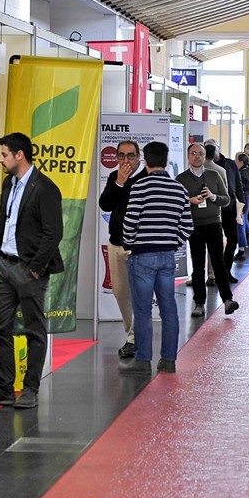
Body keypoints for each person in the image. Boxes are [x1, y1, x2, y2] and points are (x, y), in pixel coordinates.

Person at [0, 132, 64, 411]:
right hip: (2, 265)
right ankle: (4, 388)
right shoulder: (9, 183)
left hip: (28, 270)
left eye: (4, 154)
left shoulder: (45, 187)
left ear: (19, 155)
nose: (0, 159)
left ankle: (30, 389)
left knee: (33, 330)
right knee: (0, 327)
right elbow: (2, 220)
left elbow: (54, 233)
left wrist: (35, 269)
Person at [120, 141, 193, 375]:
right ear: (166, 160)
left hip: (142, 256)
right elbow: (187, 226)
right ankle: (169, 360)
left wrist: (130, 244)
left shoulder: (139, 187)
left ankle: (143, 360)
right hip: (168, 257)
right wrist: (172, 242)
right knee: (168, 308)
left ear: (145, 161)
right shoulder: (179, 189)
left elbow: (129, 223)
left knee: (142, 311)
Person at [177, 143, 240, 318]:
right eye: (193, 153)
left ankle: (227, 299)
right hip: (194, 226)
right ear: (188, 156)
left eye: (200, 153)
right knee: (198, 265)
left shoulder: (214, 175)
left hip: (213, 224)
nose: (197, 156)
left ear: (205, 157)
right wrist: (189, 201)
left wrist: (212, 196)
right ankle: (199, 303)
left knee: (218, 262)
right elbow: (176, 203)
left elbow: (226, 200)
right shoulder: (181, 179)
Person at [98, 140, 147, 359]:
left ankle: (134, 339)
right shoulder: (114, 177)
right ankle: (132, 334)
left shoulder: (147, 178)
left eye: (130, 156)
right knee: (120, 293)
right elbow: (105, 204)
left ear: (139, 157)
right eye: (121, 156)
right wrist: (119, 182)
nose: (125, 160)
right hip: (116, 243)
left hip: (139, 247)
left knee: (139, 294)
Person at [204, 140, 241, 280]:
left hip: (229, 207)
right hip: (211, 209)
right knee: (214, 242)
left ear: (218, 149)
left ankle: (226, 270)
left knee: (233, 239)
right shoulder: (203, 167)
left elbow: (237, 184)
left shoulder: (230, 164)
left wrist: (241, 205)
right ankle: (214, 273)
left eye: (213, 148)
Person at [234, 152, 249, 256]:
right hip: (247, 198)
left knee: (240, 222)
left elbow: (243, 187)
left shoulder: (242, 173)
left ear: (241, 162)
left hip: (243, 200)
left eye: (236, 160)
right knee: (243, 219)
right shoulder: (248, 172)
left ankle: (242, 248)